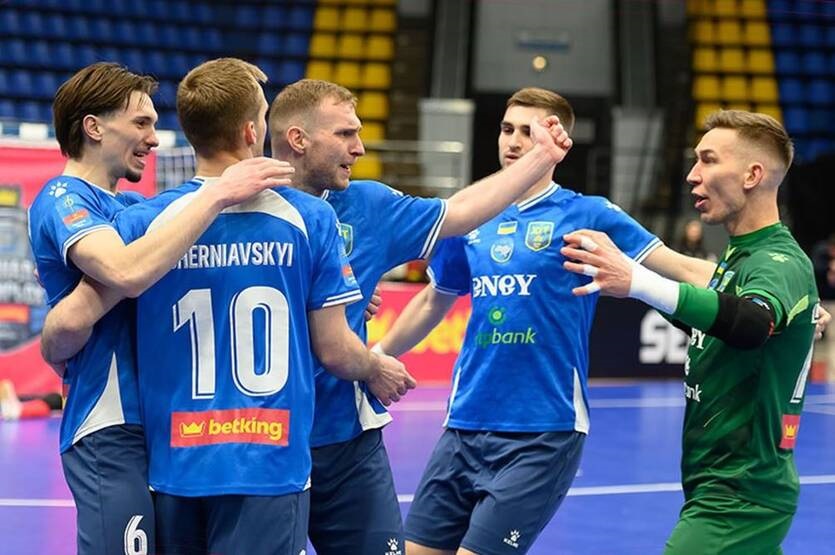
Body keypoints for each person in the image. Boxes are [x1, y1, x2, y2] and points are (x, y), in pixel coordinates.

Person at [41, 58, 414, 554]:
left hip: (176, 464)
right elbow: (335, 350)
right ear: (252, 131)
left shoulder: (145, 223)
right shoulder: (309, 217)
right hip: (268, 463)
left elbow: (73, 318)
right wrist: (374, 365)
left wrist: (54, 345)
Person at [374, 87, 721, 555]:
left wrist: (772, 289)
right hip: (463, 425)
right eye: (507, 129)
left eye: (528, 131)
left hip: (543, 431)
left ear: (558, 142)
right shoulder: (471, 216)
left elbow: (681, 267)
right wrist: (374, 358)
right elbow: (434, 301)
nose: (514, 141)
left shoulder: (588, 214)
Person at [267, 79, 574, 553]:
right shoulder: (234, 205)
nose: (359, 147)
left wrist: (541, 158)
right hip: (265, 442)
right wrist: (373, 362)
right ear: (298, 139)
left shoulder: (369, 206)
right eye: (346, 134)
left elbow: (459, 212)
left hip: (346, 441)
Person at [28, 62, 293, 555]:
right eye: (141, 123)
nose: (154, 138)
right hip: (109, 421)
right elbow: (126, 271)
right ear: (94, 127)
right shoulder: (62, 196)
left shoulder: (132, 209)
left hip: (161, 424)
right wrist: (219, 192)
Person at [561, 110, 819, 554]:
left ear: (753, 175)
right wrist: (633, 282)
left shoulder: (779, 262)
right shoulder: (740, 259)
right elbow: (716, 323)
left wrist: (638, 281)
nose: (692, 175)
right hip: (718, 484)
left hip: (740, 494)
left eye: (708, 160)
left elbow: (750, 324)